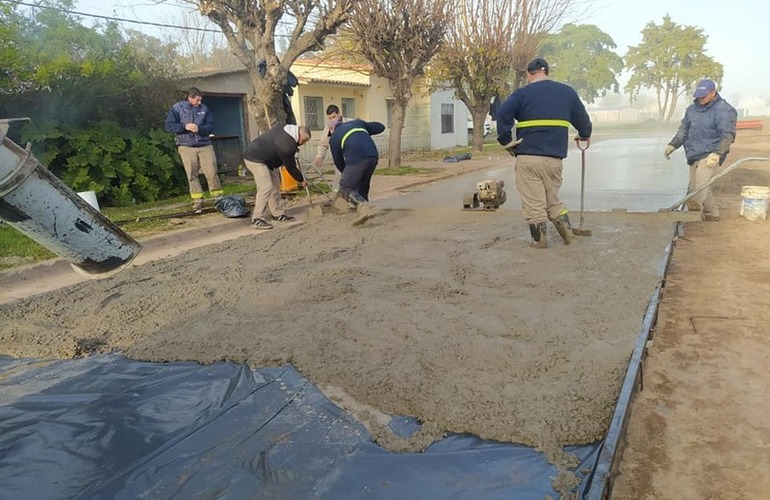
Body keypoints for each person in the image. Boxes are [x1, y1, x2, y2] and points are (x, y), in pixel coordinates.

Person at [496, 57, 592, 249]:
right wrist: (584, 135)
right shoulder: (567, 92)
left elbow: (502, 114)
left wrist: (506, 141)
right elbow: (583, 120)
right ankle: (569, 237)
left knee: (534, 204)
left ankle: (539, 243)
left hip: (528, 158)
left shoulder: (521, 94)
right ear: (547, 72)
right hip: (554, 158)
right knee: (552, 200)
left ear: (528, 74)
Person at [664, 79, 737, 221]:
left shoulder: (724, 110)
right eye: (699, 96)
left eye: (703, 96)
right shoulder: (692, 110)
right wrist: (673, 145)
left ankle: (692, 213)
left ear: (713, 93)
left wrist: (717, 153)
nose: (700, 99)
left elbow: (728, 134)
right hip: (693, 153)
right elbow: (683, 130)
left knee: (698, 187)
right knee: (699, 185)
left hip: (711, 153)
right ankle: (712, 214)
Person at [165, 87, 224, 212]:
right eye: (197, 100)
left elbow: (211, 125)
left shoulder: (204, 109)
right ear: (190, 98)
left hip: (205, 144)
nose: (199, 103)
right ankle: (198, 200)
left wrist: (200, 129)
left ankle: (218, 198)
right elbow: (169, 126)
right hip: (186, 146)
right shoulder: (176, 108)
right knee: (192, 174)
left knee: (212, 171)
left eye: (200, 100)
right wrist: (184, 126)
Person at [242, 124, 311, 229]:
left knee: (275, 184)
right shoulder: (287, 146)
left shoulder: (286, 128)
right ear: (298, 135)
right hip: (255, 159)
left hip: (265, 160)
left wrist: (294, 149)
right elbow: (291, 168)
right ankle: (257, 218)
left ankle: (277, 214)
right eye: (303, 141)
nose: (303, 144)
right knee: (266, 187)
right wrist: (301, 180)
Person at [327, 118, 385, 225]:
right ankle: (366, 213)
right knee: (363, 184)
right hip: (373, 155)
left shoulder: (334, 137)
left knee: (345, 187)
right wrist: (363, 125)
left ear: (331, 129)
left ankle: (364, 207)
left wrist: (347, 176)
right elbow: (380, 127)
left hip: (357, 158)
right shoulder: (357, 123)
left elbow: (338, 161)